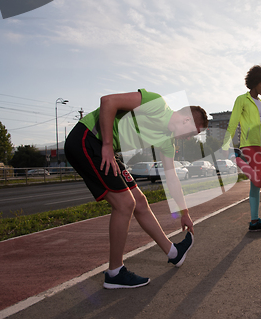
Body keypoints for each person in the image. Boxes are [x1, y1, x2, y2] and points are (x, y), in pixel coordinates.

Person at [65, 89, 208, 289]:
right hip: (88, 138)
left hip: (106, 148)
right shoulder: (157, 104)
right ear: (186, 121)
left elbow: (172, 177)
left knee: (139, 201)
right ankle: (115, 272)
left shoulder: (168, 141)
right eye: (194, 133)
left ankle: (173, 253)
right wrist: (106, 144)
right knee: (126, 204)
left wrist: (184, 212)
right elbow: (108, 101)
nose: (191, 138)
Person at [222, 65, 261, 231]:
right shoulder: (242, 99)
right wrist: (226, 143)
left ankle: (254, 221)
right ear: (254, 82)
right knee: (260, 180)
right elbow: (233, 122)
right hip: (248, 144)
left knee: (255, 185)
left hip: (259, 144)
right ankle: (236, 158)